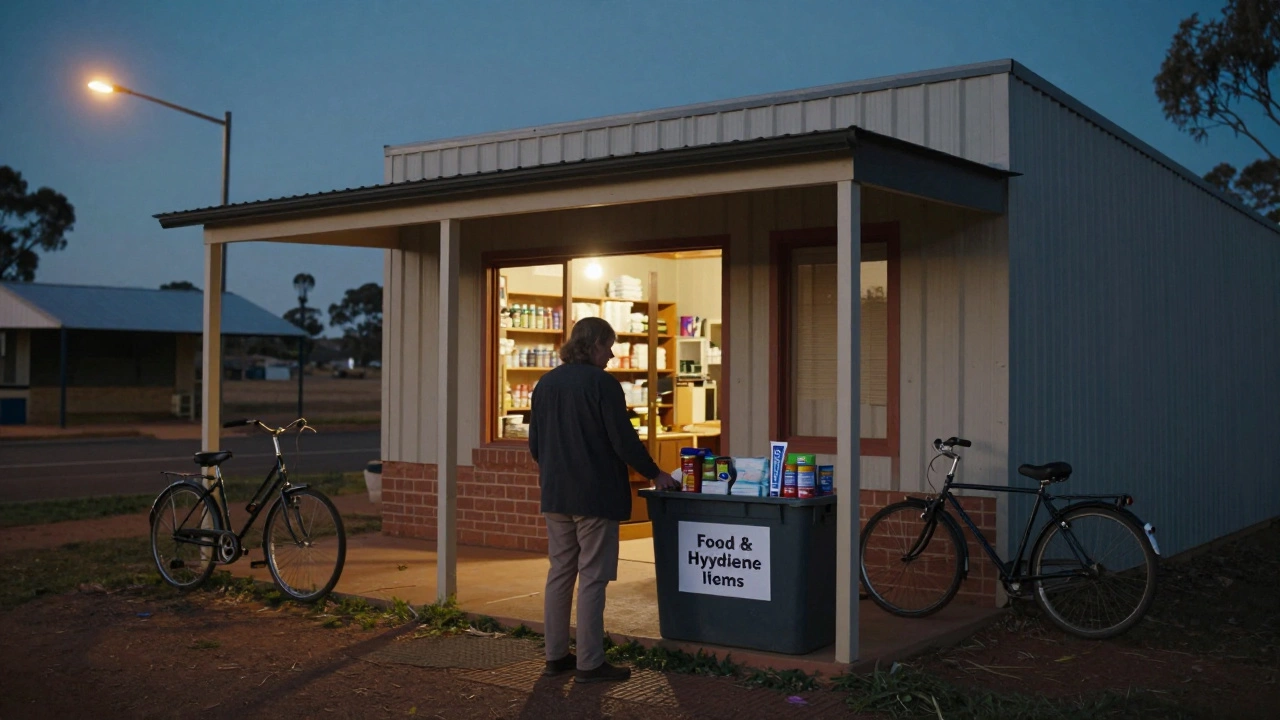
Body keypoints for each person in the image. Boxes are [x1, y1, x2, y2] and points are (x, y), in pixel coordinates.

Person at [528, 316, 679, 683]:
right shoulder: (603, 384)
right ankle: (590, 662)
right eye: (608, 345)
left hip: (556, 495)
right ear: (593, 344)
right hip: (594, 496)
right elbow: (623, 440)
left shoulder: (545, 384)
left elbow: (535, 446)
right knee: (593, 578)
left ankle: (555, 656)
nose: (612, 354)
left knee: (560, 574)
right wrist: (655, 473)